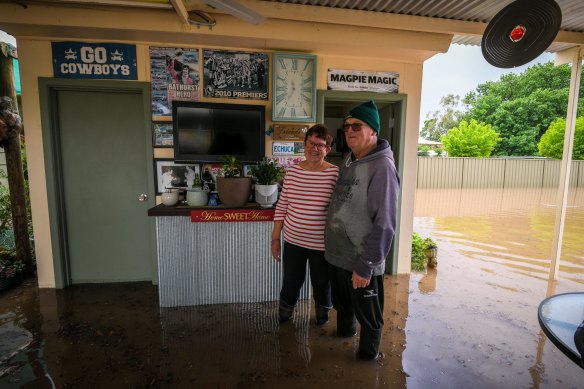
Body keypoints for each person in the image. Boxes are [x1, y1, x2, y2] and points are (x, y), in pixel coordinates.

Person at [324, 100, 400, 361]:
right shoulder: (350, 159)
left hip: (360, 260)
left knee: (370, 316)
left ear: (373, 131)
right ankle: (345, 337)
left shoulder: (383, 168)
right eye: (346, 127)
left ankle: (368, 361)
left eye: (357, 125)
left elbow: (386, 223)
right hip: (338, 256)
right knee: (344, 307)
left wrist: (366, 264)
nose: (350, 131)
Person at [272, 124, 340, 325]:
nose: (315, 148)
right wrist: (275, 238)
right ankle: (285, 312)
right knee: (291, 281)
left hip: (322, 244)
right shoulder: (292, 172)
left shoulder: (335, 174)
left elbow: (340, 210)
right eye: (311, 143)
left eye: (321, 145)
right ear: (304, 144)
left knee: (322, 282)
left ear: (327, 149)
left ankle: (322, 314)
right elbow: (282, 206)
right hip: (293, 241)